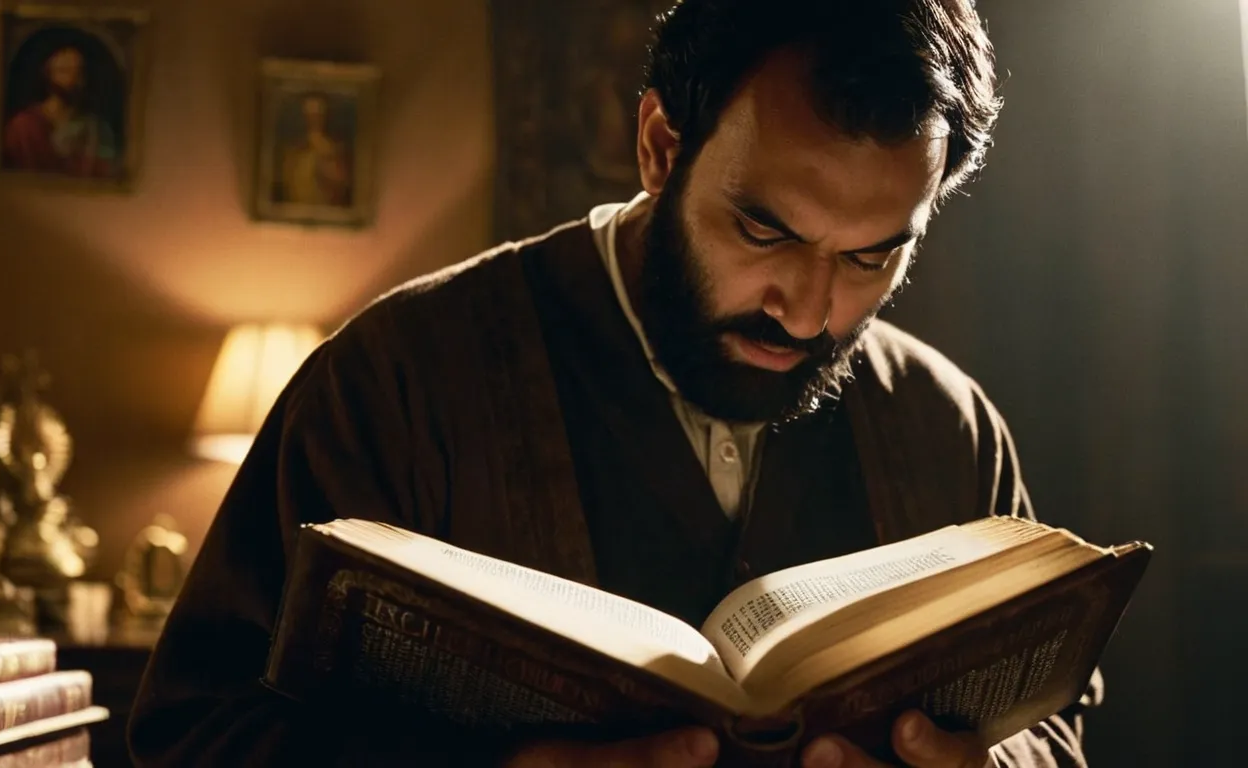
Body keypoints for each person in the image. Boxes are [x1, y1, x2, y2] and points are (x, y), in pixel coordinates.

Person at [128, 1, 1102, 766]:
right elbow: (191, 736)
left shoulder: (947, 430)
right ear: (659, 148)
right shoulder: (395, 386)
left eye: (870, 259)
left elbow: (1048, 725)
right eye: (764, 232)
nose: (807, 313)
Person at [2, 45, 118, 178]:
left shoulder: (97, 129)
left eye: (79, 72)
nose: (73, 79)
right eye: (65, 71)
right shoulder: (22, 126)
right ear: (48, 75)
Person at [277, 93, 351, 206]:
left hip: (325, 206)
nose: (313, 119)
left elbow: (340, 181)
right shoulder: (293, 148)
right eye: (309, 115)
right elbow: (286, 181)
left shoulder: (334, 148)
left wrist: (324, 161)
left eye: (317, 115)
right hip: (297, 207)